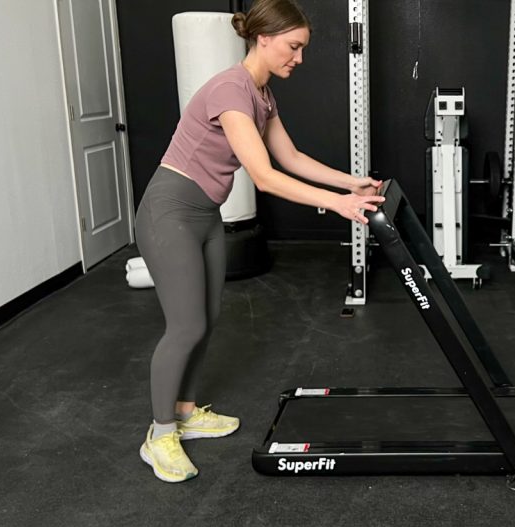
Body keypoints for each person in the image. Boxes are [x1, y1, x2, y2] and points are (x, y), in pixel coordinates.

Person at [135, 0, 383, 483]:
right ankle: (160, 434)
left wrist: (350, 183)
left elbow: (290, 156)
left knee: (205, 321)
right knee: (185, 326)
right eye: (293, 46)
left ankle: (185, 412)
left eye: (303, 49)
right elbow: (265, 177)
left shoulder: (261, 94)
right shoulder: (231, 90)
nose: (299, 58)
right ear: (263, 38)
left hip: (204, 215)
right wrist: (336, 205)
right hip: (169, 214)